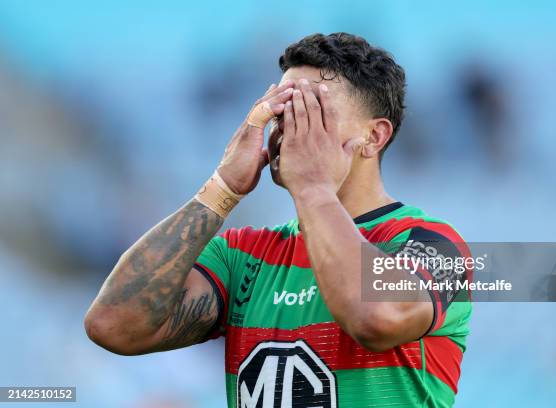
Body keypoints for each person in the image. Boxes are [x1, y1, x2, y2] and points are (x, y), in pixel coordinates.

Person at [85, 32, 472, 407]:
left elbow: (376, 318)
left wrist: (314, 189)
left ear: (373, 137)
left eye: (313, 113)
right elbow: (113, 325)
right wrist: (222, 188)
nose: (289, 128)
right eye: (283, 110)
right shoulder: (243, 255)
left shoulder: (435, 244)